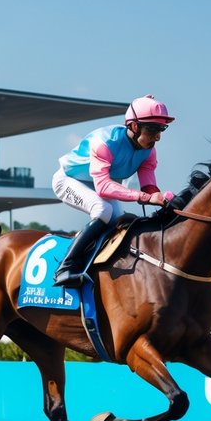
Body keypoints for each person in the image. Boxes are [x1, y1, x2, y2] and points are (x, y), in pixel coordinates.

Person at [51, 95, 175, 288]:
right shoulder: (105, 142)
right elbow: (103, 187)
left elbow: (148, 187)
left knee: (121, 221)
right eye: (152, 129)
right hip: (67, 180)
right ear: (134, 126)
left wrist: (161, 198)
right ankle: (65, 268)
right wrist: (145, 197)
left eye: (161, 130)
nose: (157, 136)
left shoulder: (149, 151)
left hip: (99, 185)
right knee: (103, 211)